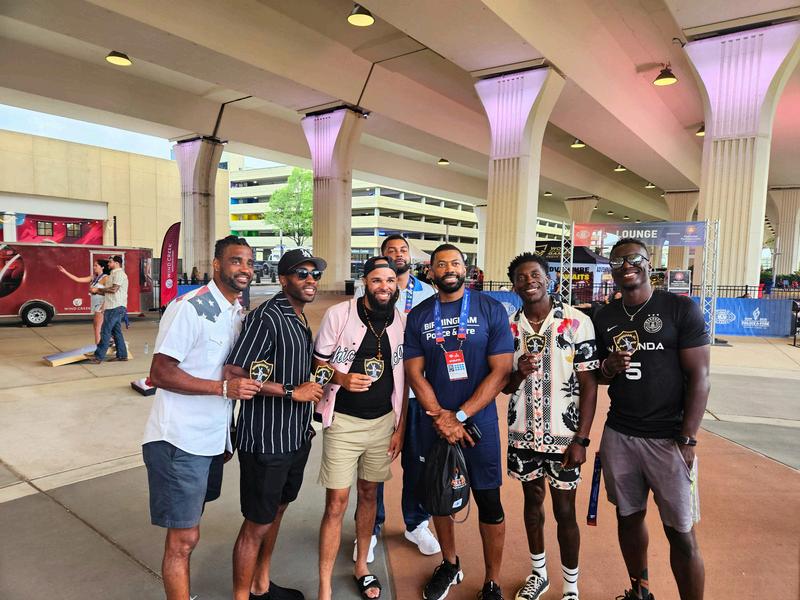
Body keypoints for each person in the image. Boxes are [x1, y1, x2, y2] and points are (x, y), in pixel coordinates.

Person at [141, 235, 261, 600]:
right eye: (236, 261)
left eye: (249, 262)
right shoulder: (191, 307)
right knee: (184, 538)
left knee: (190, 529)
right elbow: (160, 373)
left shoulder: (235, 314)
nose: (245, 269)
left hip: (210, 441)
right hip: (180, 440)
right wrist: (223, 389)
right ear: (217, 264)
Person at [593, 238, 710, 600]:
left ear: (648, 263)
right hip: (620, 433)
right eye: (617, 262)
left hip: (668, 438)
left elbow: (701, 377)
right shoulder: (605, 316)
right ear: (611, 271)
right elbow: (598, 376)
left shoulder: (679, 308)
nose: (626, 266)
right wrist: (609, 367)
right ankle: (639, 591)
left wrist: (687, 438)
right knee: (628, 518)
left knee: (681, 532)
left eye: (634, 258)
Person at [404, 243, 514, 600]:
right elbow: (414, 373)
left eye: (455, 263)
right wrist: (441, 417)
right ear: (431, 272)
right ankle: (449, 564)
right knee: (439, 497)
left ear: (466, 270)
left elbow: (501, 371)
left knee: (489, 502)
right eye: (441, 264)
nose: (449, 269)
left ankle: (492, 581)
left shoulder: (490, 309)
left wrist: (461, 416)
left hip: (479, 425)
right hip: (435, 423)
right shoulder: (419, 315)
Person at [223, 248, 326, 600]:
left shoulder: (298, 317)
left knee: (276, 511)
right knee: (256, 524)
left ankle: (261, 584)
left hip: (295, 437)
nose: (310, 280)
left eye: (315, 274)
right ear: (283, 280)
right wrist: (293, 391)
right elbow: (234, 373)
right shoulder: (267, 317)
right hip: (266, 440)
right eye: (302, 273)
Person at [502, 253, 599, 600]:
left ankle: (571, 587)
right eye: (521, 277)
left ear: (549, 279)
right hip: (523, 432)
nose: (529, 281)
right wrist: (518, 373)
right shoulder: (509, 327)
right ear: (514, 286)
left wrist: (582, 439)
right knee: (532, 505)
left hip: (564, 437)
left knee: (564, 511)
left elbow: (589, 385)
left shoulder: (577, 322)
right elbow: (504, 386)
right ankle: (538, 574)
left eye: (535, 274)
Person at [314, 256, 407, 600]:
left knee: (369, 494)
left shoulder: (401, 320)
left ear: (396, 285)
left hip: (382, 422)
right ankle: (324, 586)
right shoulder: (339, 314)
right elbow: (317, 363)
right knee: (336, 503)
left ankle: (361, 567)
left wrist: (399, 429)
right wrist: (342, 378)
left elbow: (405, 381)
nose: (384, 286)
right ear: (365, 282)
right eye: (377, 280)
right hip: (344, 422)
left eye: (390, 281)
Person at [354, 235, 439, 561]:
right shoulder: (370, 292)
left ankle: (416, 523)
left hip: (418, 392)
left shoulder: (428, 293)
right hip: (380, 393)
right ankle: (370, 529)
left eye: (403, 250)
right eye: (391, 251)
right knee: (373, 466)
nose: (398, 255)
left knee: (418, 462)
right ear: (382, 255)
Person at [57, 259, 110, 344]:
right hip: (96, 304)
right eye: (94, 265)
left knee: (97, 327)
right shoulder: (93, 277)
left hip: (101, 304)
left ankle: (99, 347)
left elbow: (109, 292)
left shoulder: (106, 277)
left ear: (102, 267)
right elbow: (78, 279)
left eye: (96, 265)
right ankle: (105, 344)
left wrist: (103, 304)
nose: (94, 267)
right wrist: (65, 272)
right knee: (99, 326)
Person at [90, 254, 129, 363]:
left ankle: (98, 357)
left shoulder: (119, 274)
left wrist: (98, 290)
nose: (108, 264)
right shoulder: (113, 274)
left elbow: (114, 289)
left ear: (116, 263)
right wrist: (97, 292)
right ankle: (122, 355)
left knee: (105, 331)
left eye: (110, 262)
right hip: (112, 306)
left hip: (115, 307)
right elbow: (109, 292)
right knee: (116, 332)